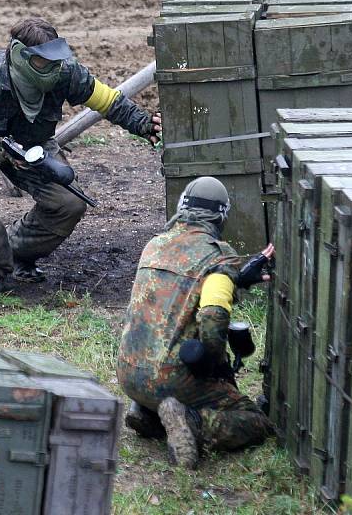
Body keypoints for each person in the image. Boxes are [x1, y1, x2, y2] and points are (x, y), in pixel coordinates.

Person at [0, 17, 161, 293]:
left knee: (68, 202)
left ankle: (16, 251)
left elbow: (108, 102)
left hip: (31, 146)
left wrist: (144, 124)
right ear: (21, 54)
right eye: (44, 62)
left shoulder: (65, 73)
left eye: (56, 61)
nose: (53, 68)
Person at [116, 176, 275, 469]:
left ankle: (150, 414)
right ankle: (191, 423)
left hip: (128, 373)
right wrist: (212, 366)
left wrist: (236, 279)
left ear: (181, 208)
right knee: (255, 421)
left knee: (166, 388)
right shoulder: (217, 258)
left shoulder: (155, 244)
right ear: (222, 216)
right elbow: (213, 319)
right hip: (169, 379)